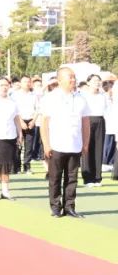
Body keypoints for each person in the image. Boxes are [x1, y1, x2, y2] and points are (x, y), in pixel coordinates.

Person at [40, 67, 89, 218]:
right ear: (60, 80)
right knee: (55, 178)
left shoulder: (81, 98)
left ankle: (69, 207)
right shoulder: (50, 98)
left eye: (74, 77)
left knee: (72, 178)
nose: (73, 80)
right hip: (56, 144)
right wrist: (46, 144)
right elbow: (44, 123)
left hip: (75, 145)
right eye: (70, 77)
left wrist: (86, 143)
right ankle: (55, 207)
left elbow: (85, 122)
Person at [80, 74, 107, 187]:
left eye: (98, 80)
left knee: (98, 149)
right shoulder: (83, 95)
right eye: (94, 80)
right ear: (88, 83)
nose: (97, 82)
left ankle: (97, 178)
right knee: (87, 148)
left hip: (100, 120)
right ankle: (88, 178)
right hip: (87, 120)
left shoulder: (103, 95)